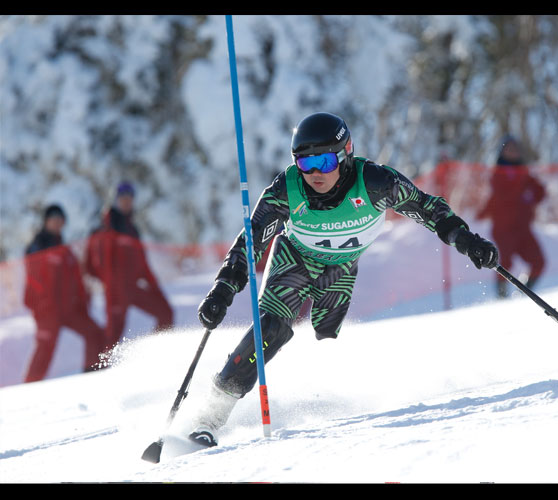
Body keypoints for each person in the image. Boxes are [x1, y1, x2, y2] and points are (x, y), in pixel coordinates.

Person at [187, 112, 499, 447]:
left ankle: (321, 398)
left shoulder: (377, 183)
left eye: (323, 160)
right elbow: (250, 243)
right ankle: (210, 418)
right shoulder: (286, 189)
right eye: (305, 164)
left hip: (342, 267)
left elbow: (426, 208)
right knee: (272, 328)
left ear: (345, 152)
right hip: (296, 258)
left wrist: (465, 240)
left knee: (325, 330)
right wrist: (223, 288)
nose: (315, 173)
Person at [85, 181, 173, 350]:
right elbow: (92, 265)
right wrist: (109, 285)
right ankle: (94, 373)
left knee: (165, 312)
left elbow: (143, 264)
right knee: (112, 335)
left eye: (129, 198)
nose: (126, 202)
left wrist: (155, 289)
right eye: (122, 198)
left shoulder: (132, 229)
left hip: (132, 289)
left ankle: (155, 353)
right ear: (116, 200)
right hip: (115, 292)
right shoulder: (105, 227)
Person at [23, 204, 106, 382]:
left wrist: (82, 301)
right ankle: (28, 389)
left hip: (68, 310)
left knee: (95, 333)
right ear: (46, 221)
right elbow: (33, 279)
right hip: (47, 311)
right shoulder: (38, 245)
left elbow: (76, 279)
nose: (57, 223)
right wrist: (42, 304)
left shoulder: (65, 249)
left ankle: (93, 375)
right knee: (45, 348)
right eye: (53, 219)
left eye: (60, 220)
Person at [476, 134, 546, 298]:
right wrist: (522, 191)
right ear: (502, 152)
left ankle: (524, 293)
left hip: (523, 228)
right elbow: (502, 195)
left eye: (516, 149)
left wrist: (530, 195)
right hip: (503, 228)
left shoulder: (524, 172)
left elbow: (540, 192)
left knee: (539, 262)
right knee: (504, 263)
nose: (514, 152)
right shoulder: (498, 173)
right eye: (509, 149)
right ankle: (502, 297)